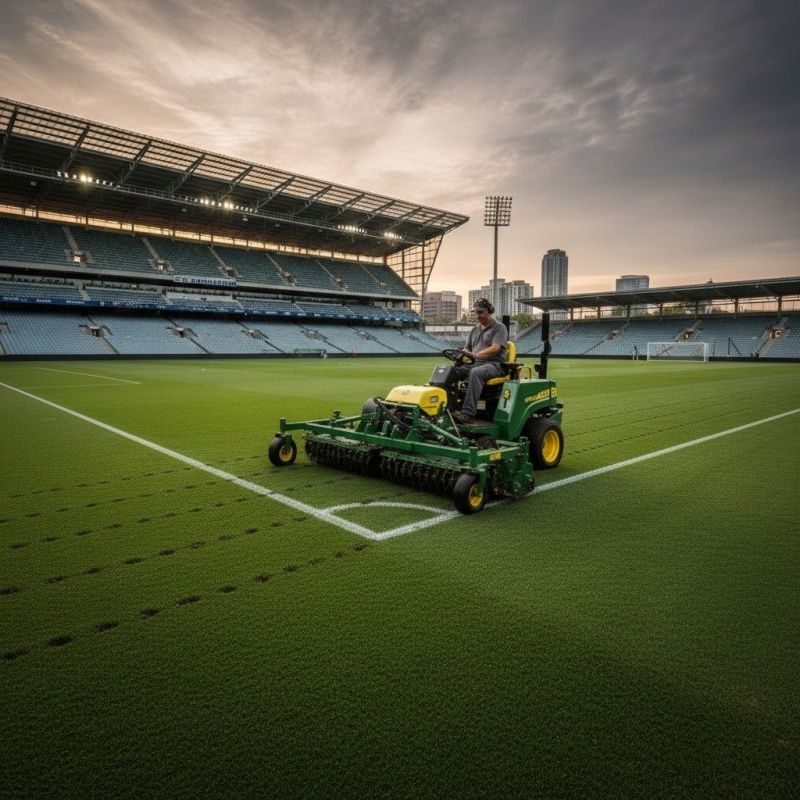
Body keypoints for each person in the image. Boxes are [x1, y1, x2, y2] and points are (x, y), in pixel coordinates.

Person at [452, 298, 508, 424]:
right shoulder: (474, 330)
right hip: (475, 363)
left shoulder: (499, 328)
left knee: (476, 372)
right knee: (450, 371)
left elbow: (496, 348)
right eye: (476, 313)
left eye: (481, 312)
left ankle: (467, 413)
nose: (478, 316)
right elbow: (468, 348)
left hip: (495, 365)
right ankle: (448, 408)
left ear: (489, 311)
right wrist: (463, 353)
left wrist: (476, 355)